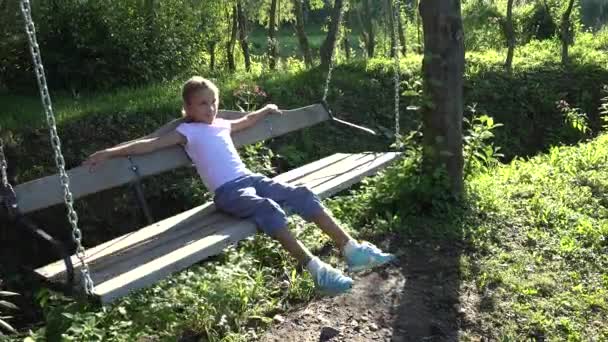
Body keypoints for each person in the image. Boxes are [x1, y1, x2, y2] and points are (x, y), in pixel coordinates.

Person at [83, 76, 394, 295]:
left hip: (251, 179)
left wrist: (265, 111)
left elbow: (245, 122)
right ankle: (317, 270)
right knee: (267, 207)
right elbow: (148, 145)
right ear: (188, 108)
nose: (211, 108)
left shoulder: (220, 124)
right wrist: (111, 152)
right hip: (228, 193)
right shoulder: (186, 132)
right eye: (202, 104)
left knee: (301, 194)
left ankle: (351, 249)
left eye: (214, 101)